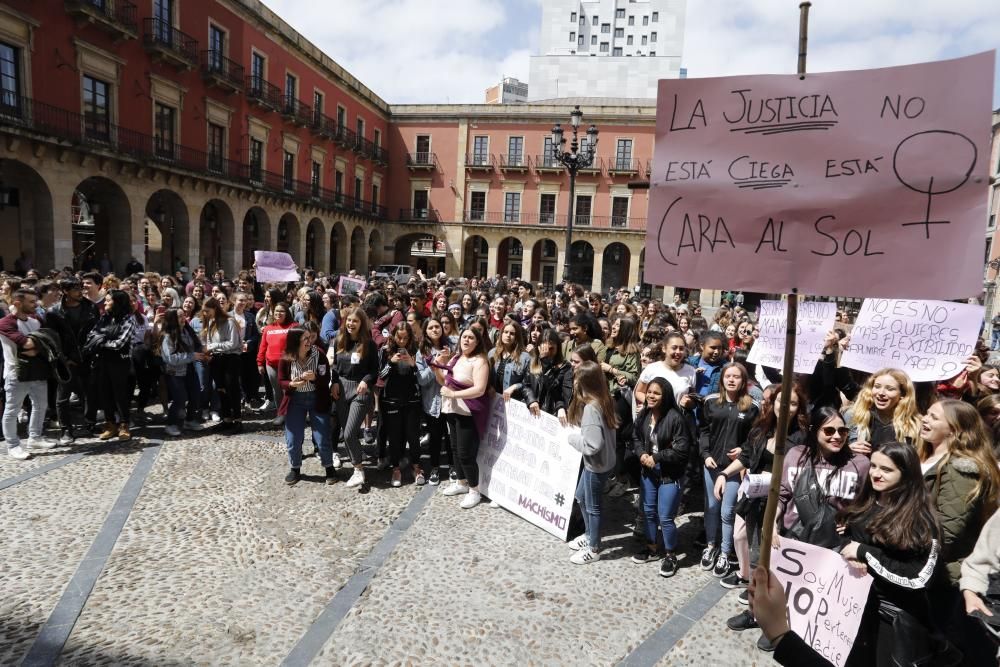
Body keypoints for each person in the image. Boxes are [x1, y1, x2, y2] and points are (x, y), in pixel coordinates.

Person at [838, 441, 946, 666]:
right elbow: (851, 541)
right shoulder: (866, 502)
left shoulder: (922, 520)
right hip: (855, 611)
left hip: (893, 618)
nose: (876, 474)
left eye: (886, 469)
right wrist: (848, 550)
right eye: (874, 466)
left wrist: (864, 553)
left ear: (906, 474)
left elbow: (918, 577)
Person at [722, 383, 809, 634]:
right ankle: (754, 611)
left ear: (799, 408)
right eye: (783, 402)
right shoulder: (761, 427)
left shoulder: (803, 436)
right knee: (756, 555)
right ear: (774, 403)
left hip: (784, 505)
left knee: (774, 561)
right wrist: (724, 473)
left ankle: (776, 619)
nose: (787, 408)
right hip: (756, 501)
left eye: (793, 404)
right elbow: (747, 455)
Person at [920, 399, 1000, 662]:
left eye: (933, 417)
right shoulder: (927, 457)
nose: (924, 419)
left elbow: (948, 531)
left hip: (945, 575)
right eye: (926, 414)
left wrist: (897, 546)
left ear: (954, 430)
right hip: (927, 569)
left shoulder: (960, 469)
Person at [699, 362, 760, 578]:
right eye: (728, 376)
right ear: (722, 379)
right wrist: (705, 455)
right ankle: (711, 545)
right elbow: (704, 431)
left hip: (734, 468)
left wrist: (742, 450)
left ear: (744, 381)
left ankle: (725, 552)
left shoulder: (751, 407)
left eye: (736, 377)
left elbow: (754, 439)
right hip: (712, 465)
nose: (731, 380)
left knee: (727, 512)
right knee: (712, 508)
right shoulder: (711, 403)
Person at [631, 377, 690, 577]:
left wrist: (656, 457)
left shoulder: (675, 418)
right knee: (648, 512)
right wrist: (642, 454)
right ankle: (652, 547)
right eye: (649, 392)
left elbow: (682, 450)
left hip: (669, 474)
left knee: (665, 517)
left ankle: (671, 555)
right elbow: (636, 437)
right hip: (648, 472)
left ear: (665, 396)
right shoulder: (645, 414)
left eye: (656, 393)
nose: (651, 396)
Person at [565, 360, 619, 564]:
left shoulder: (591, 408)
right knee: (581, 498)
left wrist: (573, 439)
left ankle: (594, 547)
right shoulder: (605, 399)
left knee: (592, 507)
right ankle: (588, 535)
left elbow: (592, 445)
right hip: (603, 462)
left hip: (596, 465)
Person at [435, 326, 491, 509]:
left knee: (466, 453)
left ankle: (474, 491)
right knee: (454, 449)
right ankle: (461, 482)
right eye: (464, 337)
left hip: (468, 411)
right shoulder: (456, 358)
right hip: (452, 410)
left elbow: (479, 389)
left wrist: (453, 395)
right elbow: (444, 382)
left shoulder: (480, 361)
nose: (466, 340)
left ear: (477, 342)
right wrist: (436, 367)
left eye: (470, 338)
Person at [277, 328, 338, 486]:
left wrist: (315, 377)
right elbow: (281, 380)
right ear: (295, 342)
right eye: (305, 338)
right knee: (293, 438)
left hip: (317, 398)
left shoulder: (318, 354)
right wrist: (291, 383)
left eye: (309, 338)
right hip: (295, 400)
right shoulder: (286, 357)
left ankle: (329, 468)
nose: (309, 341)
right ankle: (295, 468)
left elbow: (326, 378)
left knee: (322, 436)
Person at [329, 305, 379, 490]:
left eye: (355, 321)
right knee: (345, 432)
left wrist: (366, 381)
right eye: (349, 320)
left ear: (361, 323)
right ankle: (356, 466)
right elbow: (333, 367)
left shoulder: (369, 344)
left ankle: (358, 469)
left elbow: (375, 369)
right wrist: (334, 381)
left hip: (360, 390)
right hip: (341, 388)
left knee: (349, 433)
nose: (351, 323)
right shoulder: (338, 340)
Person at [0, 289, 53, 459]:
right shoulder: (5, 323)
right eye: (31, 302)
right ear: (17, 303)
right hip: (16, 373)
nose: (35, 304)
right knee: (12, 410)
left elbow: (44, 343)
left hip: (38, 371)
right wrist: (38, 345)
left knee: (40, 406)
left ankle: (35, 438)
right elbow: (26, 344)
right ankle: (13, 445)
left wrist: (37, 346)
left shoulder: (36, 321)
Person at [45, 277, 99, 442]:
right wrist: (64, 358)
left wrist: (92, 351)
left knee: (90, 394)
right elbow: (52, 338)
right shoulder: (54, 312)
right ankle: (66, 430)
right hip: (66, 360)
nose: (80, 292)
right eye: (76, 289)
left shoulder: (91, 307)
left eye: (81, 288)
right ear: (66, 291)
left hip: (87, 357)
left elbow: (97, 331)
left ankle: (89, 424)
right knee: (63, 397)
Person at [378, 322, 424, 487]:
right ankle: (396, 468)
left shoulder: (416, 351)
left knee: (413, 435)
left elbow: (421, 376)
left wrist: (413, 365)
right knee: (395, 436)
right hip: (391, 400)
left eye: (405, 338)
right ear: (393, 336)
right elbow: (380, 376)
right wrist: (391, 363)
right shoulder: (385, 351)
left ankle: (416, 467)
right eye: (399, 337)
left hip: (412, 399)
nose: (402, 341)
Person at [90, 290, 137, 440]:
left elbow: (119, 343)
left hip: (119, 361)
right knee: (105, 393)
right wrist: (99, 340)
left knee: (120, 394)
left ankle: (124, 425)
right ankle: (110, 424)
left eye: (108, 300)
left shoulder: (128, 319)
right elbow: (92, 335)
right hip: (103, 360)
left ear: (117, 302)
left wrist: (101, 341)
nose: (105, 303)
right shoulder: (104, 318)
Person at [846, 368, 921, 456]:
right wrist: (848, 449)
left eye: (890, 389)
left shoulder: (914, 425)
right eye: (877, 387)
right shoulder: (853, 415)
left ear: (903, 394)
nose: (881, 393)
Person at [159, 309, 207, 436]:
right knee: (180, 398)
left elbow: (195, 346)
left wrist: (203, 351)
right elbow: (170, 358)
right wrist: (192, 356)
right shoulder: (168, 336)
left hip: (189, 369)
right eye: (179, 316)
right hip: (175, 372)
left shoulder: (187, 330)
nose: (183, 318)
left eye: (183, 315)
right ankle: (171, 424)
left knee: (196, 394)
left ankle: (190, 420)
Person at [417, 317, 452, 486]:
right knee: (436, 437)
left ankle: (453, 467)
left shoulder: (450, 347)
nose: (435, 329)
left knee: (451, 436)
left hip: (452, 399)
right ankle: (435, 468)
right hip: (433, 402)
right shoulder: (422, 352)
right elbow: (422, 380)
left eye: (437, 326)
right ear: (426, 331)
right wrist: (434, 365)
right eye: (431, 327)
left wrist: (448, 360)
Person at [201, 297, 242, 432]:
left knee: (232, 388)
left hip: (231, 358)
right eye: (204, 311)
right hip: (217, 359)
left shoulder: (229, 321)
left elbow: (233, 343)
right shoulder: (211, 322)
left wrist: (213, 346)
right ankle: (227, 419)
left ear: (214, 308)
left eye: (208, 311)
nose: (206, 314)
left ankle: (238, 420)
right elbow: (208, 340)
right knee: (221, 389)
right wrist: (208, 351)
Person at [256, 302, 295, 426]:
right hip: (271, 365)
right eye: (276, 311)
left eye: (282, 311)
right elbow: (263, 347)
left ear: (287, 313)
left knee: (288, 390)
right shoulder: (268, 328)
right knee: (277, 391)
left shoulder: (294, 326)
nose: (278, 313)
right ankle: (281, 413)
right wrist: (260, 363)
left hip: (288, 365)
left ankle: (293, 414)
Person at [524, 328, 573, 422]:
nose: (548, 352)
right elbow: (526, 385)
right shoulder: (533, 362)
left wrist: (545, 363)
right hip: (533, 409)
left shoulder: (565, 366)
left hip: (552, 412)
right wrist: (531, 400)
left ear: (557, 348)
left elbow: (555, 389)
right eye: (544, 349)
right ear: (539, 348)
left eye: (551, 349)